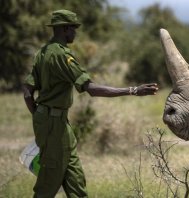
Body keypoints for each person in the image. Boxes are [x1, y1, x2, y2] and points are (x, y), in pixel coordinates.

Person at [22, 9, 158, 198]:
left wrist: (39, 116)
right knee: (48, 183)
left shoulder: (42, 52)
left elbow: (27, 92)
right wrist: (133, 90)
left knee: (76, 182)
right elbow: (91, 89)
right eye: (73, 28)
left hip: (58, 124)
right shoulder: (62, 56)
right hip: (54, 126)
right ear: (65, 29)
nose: (75, 33)